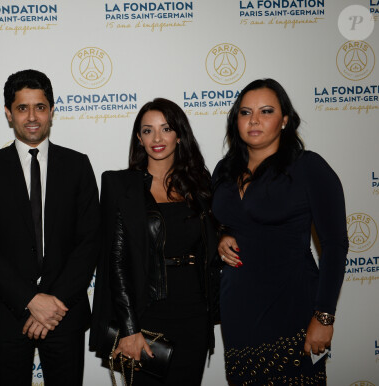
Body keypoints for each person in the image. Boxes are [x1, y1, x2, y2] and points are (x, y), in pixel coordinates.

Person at [0, 69, 100, 386]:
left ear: (52, 110)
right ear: (8, 113)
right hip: (7, 314)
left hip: (64, 314)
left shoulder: (77, 165)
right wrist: (30, 300)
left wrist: (52, 305)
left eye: (40, 106)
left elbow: (90, 241)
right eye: (22, 107)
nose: (32, 117)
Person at [212, 78, 348, 385]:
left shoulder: (308, 168)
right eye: (245, 112)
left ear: (285, 120)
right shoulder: (224, 169)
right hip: (238, 308)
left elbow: (335, 245)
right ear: (237, 121)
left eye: (266, 111)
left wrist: (324, 316)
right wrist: (222, 235)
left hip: (292, 307)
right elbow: (223, 219)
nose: (255, 120)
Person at [90, 98, 221, 385]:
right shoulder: (121, 186)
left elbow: (213, 241)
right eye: (148, 130)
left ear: (179, 134)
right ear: (139, 138)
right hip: (146, 317)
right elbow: (116, 261)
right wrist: (129, 328)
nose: (157, 138)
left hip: (194, 315)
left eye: (166, 129)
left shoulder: (199, 184)